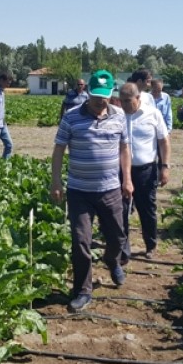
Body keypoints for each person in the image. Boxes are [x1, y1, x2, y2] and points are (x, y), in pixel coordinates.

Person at [50, 70, 133, 312]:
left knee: (118, 237)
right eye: (96, 96)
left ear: (111, 94)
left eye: (105, 96)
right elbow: (58, 150)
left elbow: (125, 149)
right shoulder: (72, 117)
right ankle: (82, 291)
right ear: (87, 93)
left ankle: (112, 259)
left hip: (110, 189)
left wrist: (127, 179)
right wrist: (56, 182)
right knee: (81, 241)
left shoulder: (119, 117)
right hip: (79, 191)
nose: (101, 101)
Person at [118, 82, 170, 260]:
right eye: (121, 101)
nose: (124, 105)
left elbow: (164, 141)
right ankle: (123, 251)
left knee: (147, 209)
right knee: (122, 210)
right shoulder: (117, 115)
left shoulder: (152, 114)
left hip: (146, 171)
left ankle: (151, 245)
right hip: (121, 171)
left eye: (127, 101)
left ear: (138, 97)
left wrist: (165, 166)